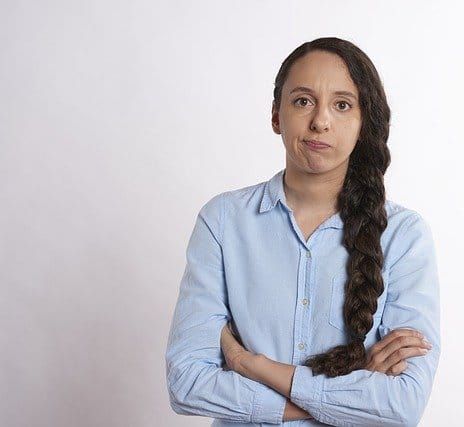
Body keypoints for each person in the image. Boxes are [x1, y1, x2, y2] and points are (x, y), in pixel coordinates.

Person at [165, 37, 441, 426]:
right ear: (276, 115)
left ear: (364, 124)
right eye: (303, 100)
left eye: (342, 105)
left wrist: (252, 364)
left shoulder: (403, 235)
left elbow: (402, 404)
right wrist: (348, 394)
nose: (320, 121)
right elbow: (186, 382)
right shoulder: (223, 221)